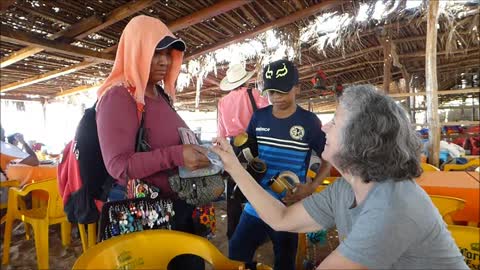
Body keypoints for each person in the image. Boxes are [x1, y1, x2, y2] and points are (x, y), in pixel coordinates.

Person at [212, 84, 468, 269]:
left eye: (334, 122)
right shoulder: (347, 188)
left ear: (359, 142)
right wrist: (234, 166)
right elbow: (281, 218)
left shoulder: (392, 207)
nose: (324, 128)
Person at [96, 15, 210, 270]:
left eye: (168, 53)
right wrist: (178, 155)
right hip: (149, 215)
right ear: (136, 49)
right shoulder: (119, 96)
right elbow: (118, 166)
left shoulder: (160, 95)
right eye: (155, 52)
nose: (164, 60)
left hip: (177, 210)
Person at [222, 59, 331, 270]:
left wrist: (311, 186)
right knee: (236, 253)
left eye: (282, 91)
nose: (276, 98)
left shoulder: (309, 121)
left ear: (297, 88)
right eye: (271, 92)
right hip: (258, 202)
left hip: (289, 206)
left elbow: (328, 158)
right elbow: (249, 151)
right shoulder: (259, 117)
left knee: (285, 260)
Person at [217, 63, 269, 239]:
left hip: (234, 147)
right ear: (245, 80)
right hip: (255, 144)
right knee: (257, 186)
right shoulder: (254, 95)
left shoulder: (222, 102)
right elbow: (267, 119)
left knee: (233, 190)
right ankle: (256, 232)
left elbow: (221, 133)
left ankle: (233, 232)